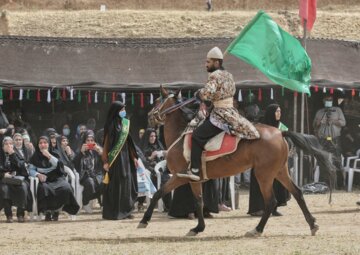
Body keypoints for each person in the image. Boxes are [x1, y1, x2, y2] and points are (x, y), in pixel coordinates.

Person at [177, 46, 259, 181]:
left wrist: (199, 93)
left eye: (208, 62)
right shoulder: (229, 75)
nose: (205, 65)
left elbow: (208, 94)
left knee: (197, 135)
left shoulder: (214, 76)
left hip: (220, 114)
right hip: (231, 112)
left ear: (216, 63)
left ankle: (195, 170)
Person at [247, 104, 291, 217]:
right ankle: (258, 208)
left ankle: (273, 208)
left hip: (275, 160)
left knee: (276, 184)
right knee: (261, 184)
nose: (279, 114)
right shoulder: (263, 126)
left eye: (280, 111)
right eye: (276, 111)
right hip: (261, 161)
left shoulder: (282, 127)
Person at [101, 101, 138, 220]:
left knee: (127, 184)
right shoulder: (110, 125)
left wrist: (134, 158)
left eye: (124, 109)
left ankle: (126, 211)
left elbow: (129, 142)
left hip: (126, 158)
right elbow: (106, 144)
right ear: (116, 111)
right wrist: (105, 161)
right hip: (115, 160)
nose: (124, 112)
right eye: (122, 109)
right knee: (116, 185)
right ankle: (115, 212)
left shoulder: (125, 124)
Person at [29, 136, 79, 221]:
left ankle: (57, 211)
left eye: (45, 142)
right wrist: (38, 174)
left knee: (66, 188)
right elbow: (31, 170)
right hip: (44, 179)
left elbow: (60, 166)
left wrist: (49, 156)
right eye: (40, 143)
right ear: (38, 145)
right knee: (44, 189)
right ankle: (47, 212)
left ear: (49, 144)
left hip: (57, 177)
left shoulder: (55, 153)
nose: (43, 145)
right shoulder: (35, 157)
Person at [313, 95, 346, 188]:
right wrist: (319, 122)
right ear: (323, 101)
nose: (328, 101)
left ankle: (339, 184)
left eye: (330, 100)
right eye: (327, 100)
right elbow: (314, 126)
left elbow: (343, 123)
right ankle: (323, 184)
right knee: (323, 160)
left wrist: (334, 121)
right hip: (323, 139)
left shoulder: (337, 110)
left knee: (337, 160)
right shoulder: (320, 112)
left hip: (335, 139)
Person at [0, 137, 32, 223]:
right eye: (6, 144)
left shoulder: (16, 154)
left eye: (10, 144)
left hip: (17, 179)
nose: (8, 146)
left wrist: (12, 154)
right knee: (4, 189)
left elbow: (22, 167)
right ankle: (9, 215)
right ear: (2, 146)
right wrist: (3, 174)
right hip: (3, 180)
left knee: (23, 188)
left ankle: (20, 214)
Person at [74, 130, 103, 211]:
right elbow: (74, 163)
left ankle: (103, 204)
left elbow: (106, 160)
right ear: (84, 141)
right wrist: (81, 152)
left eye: (92, 140)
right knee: (90, 183)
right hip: (85, 175)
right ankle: (85, 202)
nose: (90, 142)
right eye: (88, 140)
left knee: (104, 182)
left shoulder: (98, 149)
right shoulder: (80, 149)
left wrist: (100, 152)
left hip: (97, 174)